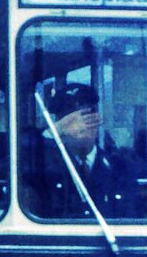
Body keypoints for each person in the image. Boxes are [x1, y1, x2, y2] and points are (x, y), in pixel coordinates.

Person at [29, 82, 137, 218]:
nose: (81, 124)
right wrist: (55, 130)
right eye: (71, 119)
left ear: (97, 119)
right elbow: (18, 157)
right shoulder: (43, 163)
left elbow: (133, 217)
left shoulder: (120, 167)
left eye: (88, 115)